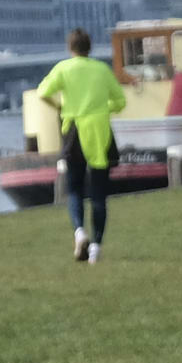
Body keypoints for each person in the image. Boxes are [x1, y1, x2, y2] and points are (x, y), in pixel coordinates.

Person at [37, 28, 126, 264]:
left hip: (73, 129)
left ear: (70, 48)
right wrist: (103, 108)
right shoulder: (101, 70)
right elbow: (120, 101)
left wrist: (58, 107)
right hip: (99, 130)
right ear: (90, 47)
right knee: (99, 192)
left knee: (74, 188)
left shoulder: (63, 69)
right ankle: (96, 247)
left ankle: (79, 231)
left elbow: (43, 91)